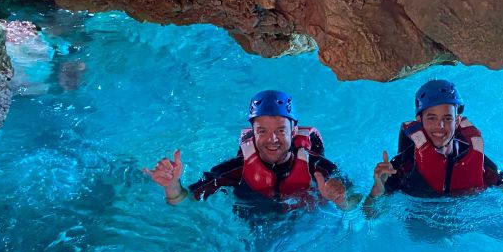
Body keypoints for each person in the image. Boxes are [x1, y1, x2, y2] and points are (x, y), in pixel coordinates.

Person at [144, 90, 352, 209]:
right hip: (252, 222)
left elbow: (361, 209)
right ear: (253, 133)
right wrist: (172, 186)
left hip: (302, 226)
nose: (272, 139)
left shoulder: (319, 168)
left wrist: (340, 199)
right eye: (262, 131)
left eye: (281, 130)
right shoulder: (234, 169)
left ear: (294, 131)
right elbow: (186, 203)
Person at [367, 79, 503, 203]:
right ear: (419, 120)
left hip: (465, 227)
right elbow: (369, 214)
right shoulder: (405, 165)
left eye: (447, 118)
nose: (440, 126)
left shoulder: (476, 160)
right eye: (431, 118)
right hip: (420, 224)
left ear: (458, 120)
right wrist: (377, 189)